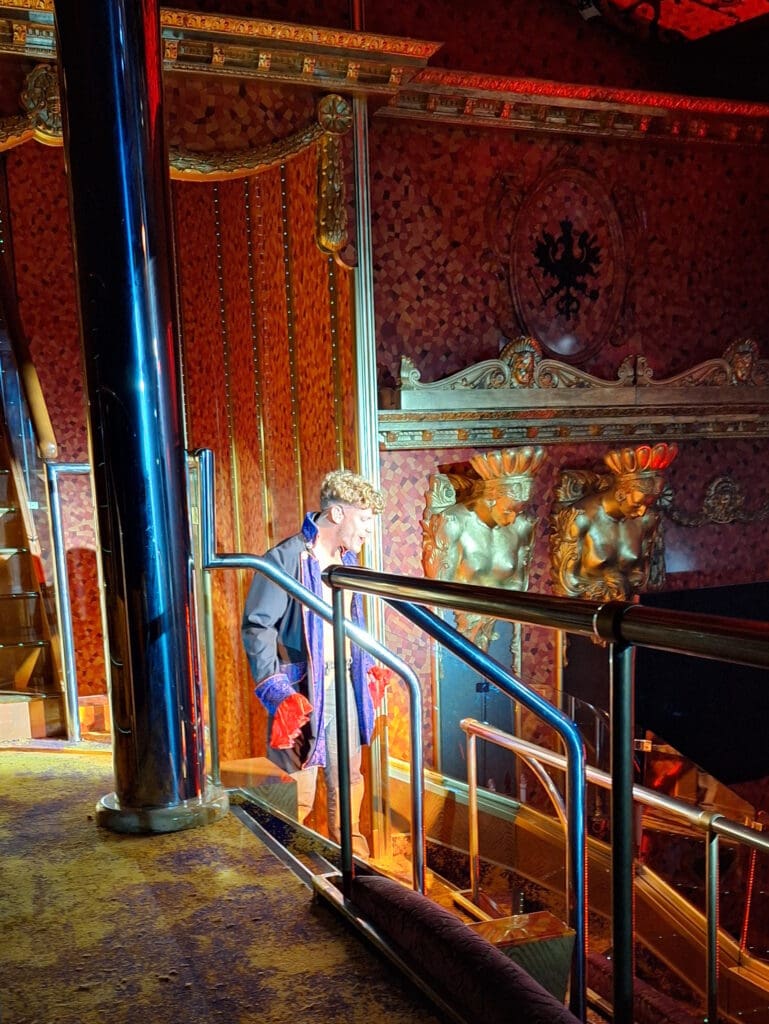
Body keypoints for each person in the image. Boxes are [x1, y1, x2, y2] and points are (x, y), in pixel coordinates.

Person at [242, 469, 387, 858]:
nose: (368, 531)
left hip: (344, 684)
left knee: (349, 776)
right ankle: (284, 870)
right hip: (303, 688)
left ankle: (351, 868)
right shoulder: (285, 558)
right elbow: (257, 627)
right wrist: (277, 691)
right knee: (297, 786)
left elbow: (354, 623)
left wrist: (369, 666)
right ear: (338, 514)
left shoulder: (349, 561)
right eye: (364, 519)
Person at [422, 447, 544, 649]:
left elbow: (520, 586)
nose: (513, 518)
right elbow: (440, 587)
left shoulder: (522, 527)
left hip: (499, 629)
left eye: (519, 511)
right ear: (490, 499)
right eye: (508, 510)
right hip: (455, 626)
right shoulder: (454, 522)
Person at [550, 443, 677, 601]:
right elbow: (567, 582)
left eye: (648, 504)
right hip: (582, 610)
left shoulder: (647, 520)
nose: (642, 512)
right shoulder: (580, 517)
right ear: (620, 495)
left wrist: (622, 583)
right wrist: (604, 582)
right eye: (637, 504)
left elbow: (641, 576)